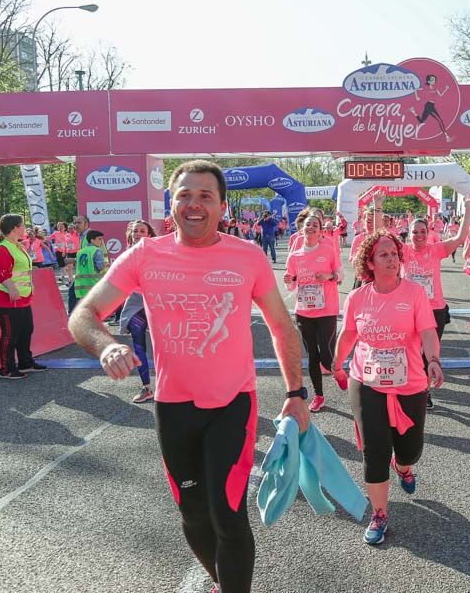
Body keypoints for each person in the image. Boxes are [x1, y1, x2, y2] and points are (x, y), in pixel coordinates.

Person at [69, 160, 308, 592]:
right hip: (174, 407)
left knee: (227, 512)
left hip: (232, 405)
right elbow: (83, 314)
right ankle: (223, 582)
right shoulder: (145, 254)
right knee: (194, 514)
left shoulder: (247, 256)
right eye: (185, 195)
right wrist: (107, 345)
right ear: (171, 203)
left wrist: (296, 392)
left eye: (205, 196)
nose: (194, 205)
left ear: (221, 206)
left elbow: (280, 325)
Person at [333, 230, 442, 546]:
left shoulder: (414, 293)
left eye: (394, 253)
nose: (392, 258)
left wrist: (433, 359)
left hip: (409, 382)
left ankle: (404, 467)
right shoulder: (357, 297)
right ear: (370, 262)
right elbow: (349, 335)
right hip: (366, 381)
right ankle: (379, 513)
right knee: (374, 451)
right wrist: (337, 363)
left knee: (410, 448)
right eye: (384, 254)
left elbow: (428, 331)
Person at [402, 198, 470, 409]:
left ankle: (423, 392)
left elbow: (461, 237)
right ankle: (412, 388)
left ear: (428, 232)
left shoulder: (436, 249)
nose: (419, 235)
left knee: (429, 353)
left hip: (435, 310)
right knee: (412, 352)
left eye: (422, 231)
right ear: (409, 233)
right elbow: (379, 236)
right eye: (415, 232)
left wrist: (468, 208)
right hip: (410, 310)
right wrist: (378, 207)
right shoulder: (404, 251)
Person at [284, 214, 342, 413]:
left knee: (325, 352)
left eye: (315, 225)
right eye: (308, 224)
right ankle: (319, 395)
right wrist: (289, 279)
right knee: (313, 356)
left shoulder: (328, 249)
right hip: (304, 311)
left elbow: (340, 275)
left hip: (326, 310)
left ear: (320, 231)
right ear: (302, 228)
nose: (311, 227)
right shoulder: (294, 256)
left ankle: (340, 373)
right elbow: (292, 286)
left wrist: (330, 276)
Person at [0, 214, 48, 380]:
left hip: (21, 297)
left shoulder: (16, 245)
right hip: (5, 298)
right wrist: (11, 287)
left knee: (26, 330)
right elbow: (0, 271)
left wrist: (28, 284)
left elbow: (21, 269)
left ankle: (25, 362)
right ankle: (6, 368)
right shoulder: (3, 247)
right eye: (22, 226)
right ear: (14, 228)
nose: (25, 229)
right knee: (10, 334)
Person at [119, 220, 158, 403]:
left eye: (142, 231)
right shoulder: (126, 254)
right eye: (135, 231)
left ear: (149, 234)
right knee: (138, 344)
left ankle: (175, 385)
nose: (138, 234)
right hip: (136, 304)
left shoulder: (158, 253)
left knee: (166, 346)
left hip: (156, 303)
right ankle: (146, 387)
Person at [408, 73, 453, 142]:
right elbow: (415, 89)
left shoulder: (435, 88)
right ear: (428, 81)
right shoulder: (425, 87)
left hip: (431, 105)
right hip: (429, 105)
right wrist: (417, 97)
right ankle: (447, 137)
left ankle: (413, 111)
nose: (434, 81)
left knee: (422, 121)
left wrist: (446, 89)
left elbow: (440, 95)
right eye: (432, 80)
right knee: (440, 120)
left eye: (434, 80)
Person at [71, 231, 108, 312]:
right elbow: (99, 267)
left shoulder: (80, 252)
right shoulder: (97, 251)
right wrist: (106, 265)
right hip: (93, 284)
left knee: (85, 309)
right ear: (92, 240)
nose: (101, 242)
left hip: (81, 286)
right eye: (99, 239)